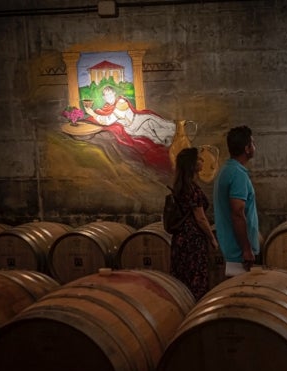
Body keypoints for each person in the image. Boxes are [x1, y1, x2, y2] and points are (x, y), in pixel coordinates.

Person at [169, 147, 219, 300]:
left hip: (180, 240)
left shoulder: (180, 186)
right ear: (191, 165)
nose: (202, 161)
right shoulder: (192, 189)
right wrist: (212, 238)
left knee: (182, 280)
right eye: (198, 159)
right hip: (193, 240)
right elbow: (200, 218)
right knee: (195, 280)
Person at [213, 126, 260, 277]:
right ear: (247, 148)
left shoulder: (226, 170)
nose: (254, 146)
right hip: (238, 254)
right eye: (252, 143)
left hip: (233, 249)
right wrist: (246, 249)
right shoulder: (237, 174)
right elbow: (238, 213)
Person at [84, 86, 176, 146]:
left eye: (110, 94)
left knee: (163, 126)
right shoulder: (107, 106)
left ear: (114, 94)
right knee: (155, 139)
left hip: (138, 122)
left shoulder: (121, 102)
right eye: (106, 95)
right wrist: (95, 113)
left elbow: (108, 121)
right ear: (103, 97)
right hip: (130, 128)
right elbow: (104, 116)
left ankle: (176, 132)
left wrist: (93, 114)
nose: (109, 96)